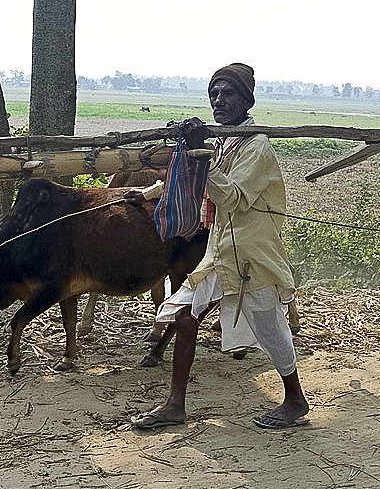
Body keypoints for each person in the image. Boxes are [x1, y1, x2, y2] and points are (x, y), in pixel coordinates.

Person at [128, 62, 310, 430]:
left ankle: (294, 400)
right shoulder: (226, 141)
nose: (219, 99)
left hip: (251, 254)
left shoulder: (256, 147)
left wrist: (200, 155)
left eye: (228, 93)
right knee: (184, 314)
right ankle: (175, 405)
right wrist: (147, 193)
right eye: (214, 92)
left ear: (246, 99)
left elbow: (230, 198)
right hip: (221, 251)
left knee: (270, 329)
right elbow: (190, 178)